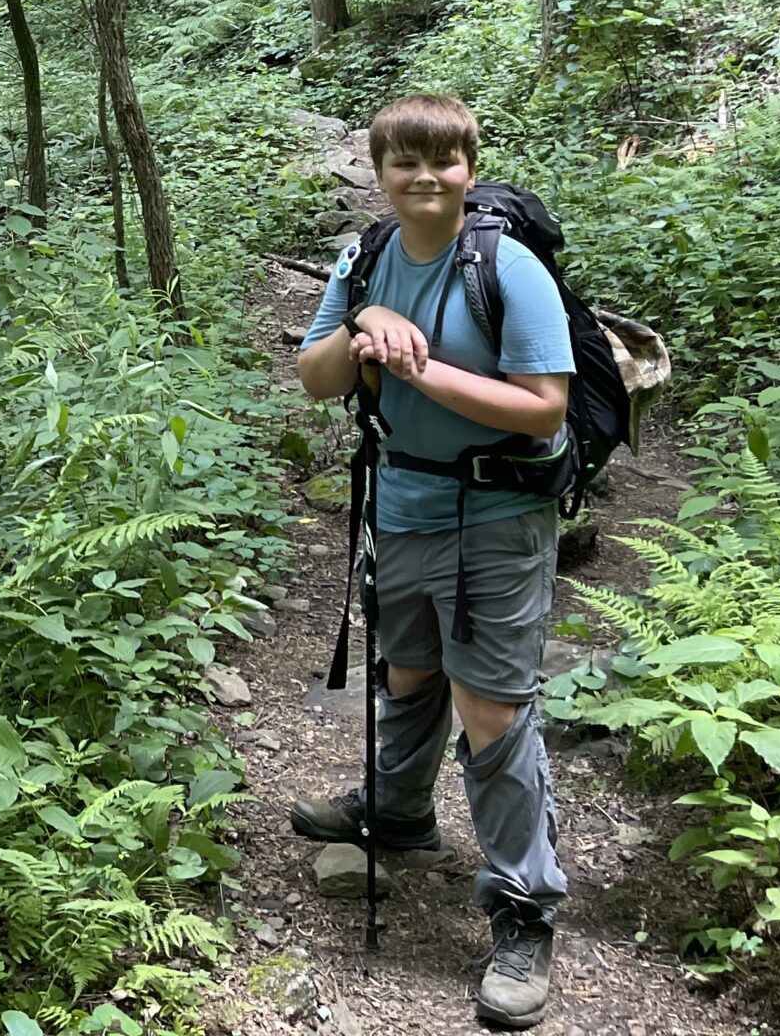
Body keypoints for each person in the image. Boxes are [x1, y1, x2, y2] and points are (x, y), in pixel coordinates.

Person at [291, 93, 573, 1029]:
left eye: (443, 160)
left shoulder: (510, 268)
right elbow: (317, 376)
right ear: (380, 172)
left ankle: (524, 911)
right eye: (405, 161)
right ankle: (399, 811)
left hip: (498, 511)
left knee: (490, 705)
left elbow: (544, 410)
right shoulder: (366, 257)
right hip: (403, 505)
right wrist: (365, 322)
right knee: (408, 669)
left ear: (469, 166)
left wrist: (417, 369)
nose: (424, 177)